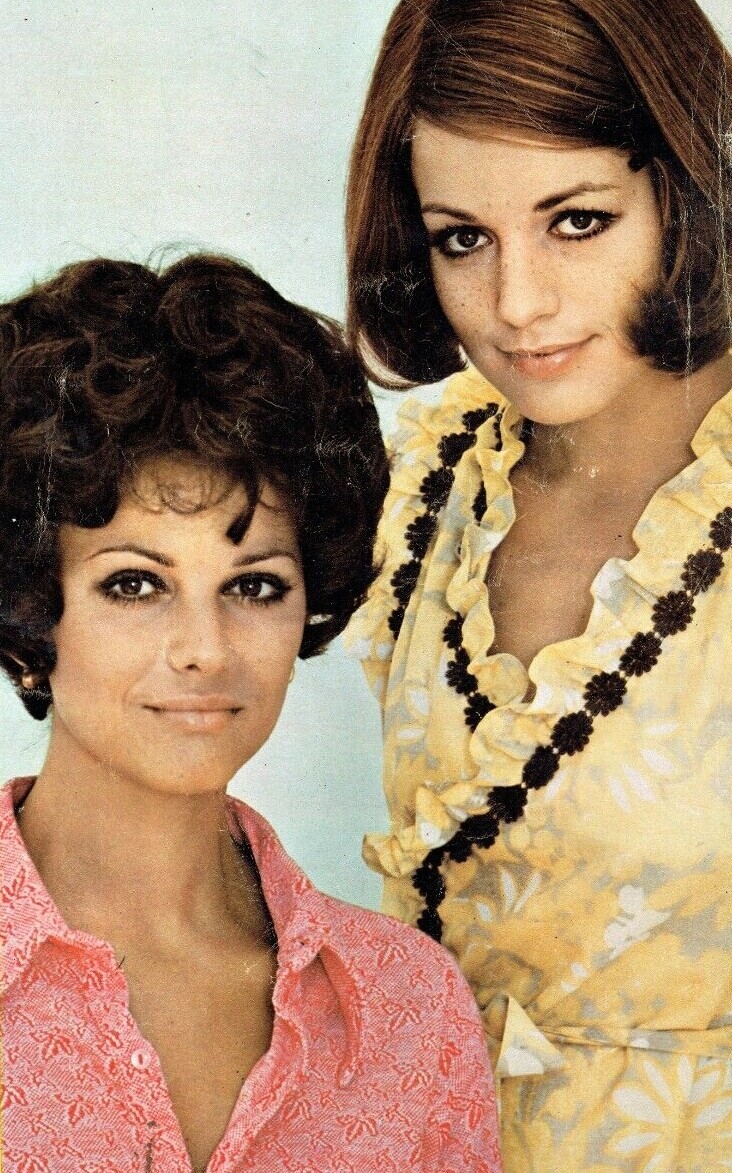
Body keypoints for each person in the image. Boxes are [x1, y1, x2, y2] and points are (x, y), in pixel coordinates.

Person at [0, 254, 502, 1173]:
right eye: (135, 584)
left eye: (255, 585)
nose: (206, 647)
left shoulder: (407, 1009)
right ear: (29, 614)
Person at [344, 0, 732, 1167]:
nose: (517, 303)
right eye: (463, 238)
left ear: (689, 193)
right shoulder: (427, 492)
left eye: (577, 221)